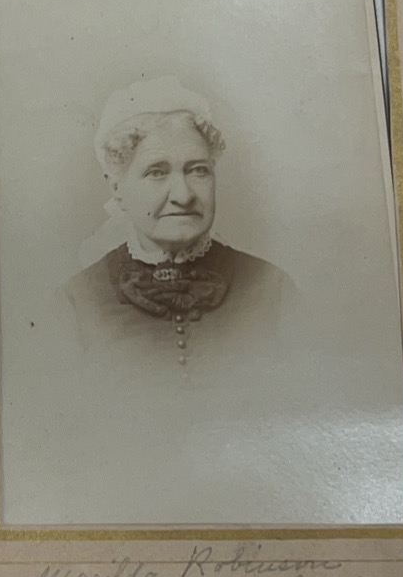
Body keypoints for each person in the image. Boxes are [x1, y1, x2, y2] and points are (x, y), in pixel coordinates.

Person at [57, 78, 296, 383]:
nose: (183, 195)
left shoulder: (275, 291)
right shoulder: (75, 304)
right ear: (117, 188)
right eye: (157, 173)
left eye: (198, 170)